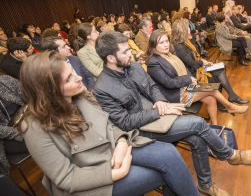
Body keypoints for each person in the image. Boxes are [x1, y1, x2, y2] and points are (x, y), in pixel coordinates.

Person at [94, 31, 251, 196]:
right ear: (110, 58)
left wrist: (161, 102)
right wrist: (158, 111)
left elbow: (153, 87)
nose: (131, 53)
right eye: (125, 52)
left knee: (198, 139)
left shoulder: (135, 67)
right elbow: (125, 122)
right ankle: (231, 155)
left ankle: (206, 185)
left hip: (159, 116)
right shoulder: (102, 88)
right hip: (141, 131)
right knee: (197, 123)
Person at [19, 51, 200, 196]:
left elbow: (109, 124)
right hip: (92, 176)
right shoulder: (33, 127)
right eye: (68, 79)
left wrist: (121, 142)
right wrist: (116, 173)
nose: (79, 78)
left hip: (115, 150)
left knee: (168, 154)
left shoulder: (82, 96)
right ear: (49, 91)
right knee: (163, 173)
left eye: (72, 72)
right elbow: (66, 178)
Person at [147, 30, 249, 125]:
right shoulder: (153, 62)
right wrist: (189, 79)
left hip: (184, 88)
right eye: (161, 43)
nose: (166, 45)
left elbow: (183, 70)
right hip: (175, 97)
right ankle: (230, 106)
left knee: (211, 99)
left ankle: (215, 126)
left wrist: (191, 79)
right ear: (154, 45)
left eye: (166, 41)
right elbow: (168, 82)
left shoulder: (169, 54)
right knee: (212, 89)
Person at [172, 19, 249, 103]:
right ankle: (229, 98)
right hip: (192, 75)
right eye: (187, 27)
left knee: (220, 68)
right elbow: (193, 64)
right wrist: (204, 62)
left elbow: (196, 58)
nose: (190, 29)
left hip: (195, 69)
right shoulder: (179, 46)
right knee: (218, 73)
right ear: (182, 30)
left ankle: (229, 97)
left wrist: (204, 61)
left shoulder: (184, 42)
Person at [0, 75, 27, 176]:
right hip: (8, 138)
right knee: (42, 140)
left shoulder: (5, 80)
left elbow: (28, 95)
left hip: (28, 121)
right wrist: (18, 133)